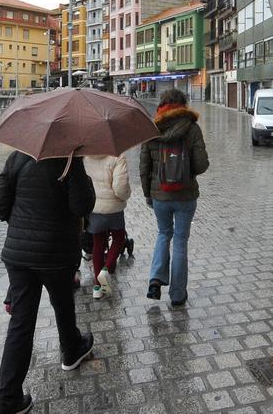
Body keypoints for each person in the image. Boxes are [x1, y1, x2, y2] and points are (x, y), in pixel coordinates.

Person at [0, 151, 97, 414]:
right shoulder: (69, 160)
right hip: (56, 253)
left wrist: (22, 227)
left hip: (19, 255)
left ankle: (7, 400)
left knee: (20, 324)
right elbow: (82, 207)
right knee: (62, 303)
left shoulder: (16, 158)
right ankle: (71, 350)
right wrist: (80, 170)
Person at [139, 88, 209, 307]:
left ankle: (155, 279)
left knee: (163, 233)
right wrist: (189, 171)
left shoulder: (151, 129)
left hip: (160, 195)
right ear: (183, 104)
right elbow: (201, 164)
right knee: (180, 241)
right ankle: (178, 295)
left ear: (162, 104)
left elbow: (144, 166)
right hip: (186, 196)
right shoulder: (192, 128)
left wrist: (148, 193)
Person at [83, 154, 132, 299]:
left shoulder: (86, 157)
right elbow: (121, 187)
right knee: (119, 238)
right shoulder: (117, 157)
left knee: (98, 244)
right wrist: (125, 196)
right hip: (113, 208)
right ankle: (106, 269)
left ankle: (97, 287)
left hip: (95, 207)